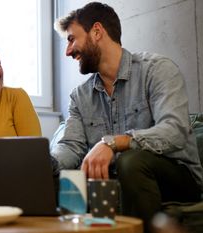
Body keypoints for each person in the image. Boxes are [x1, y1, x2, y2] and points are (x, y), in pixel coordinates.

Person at [52, 2, 203, 232]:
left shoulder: (156, 70)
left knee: (130, 161)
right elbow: (71, 147)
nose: (68, 50)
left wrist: (113, 143)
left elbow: (175, 131)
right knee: (54, 176)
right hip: (116, 179)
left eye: (72, 39)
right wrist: (47, 164)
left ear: (97, 31)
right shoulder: (80, 96)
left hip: (176, 175)